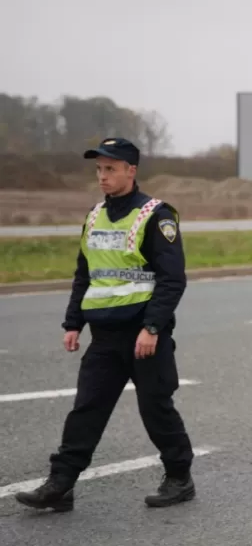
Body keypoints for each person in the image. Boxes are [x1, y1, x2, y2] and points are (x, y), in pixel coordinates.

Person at [15, 138, 196, 513]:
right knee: (86, 409)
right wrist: (73, 322)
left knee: (156, 409)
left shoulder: (155, 215)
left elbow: (172, 279)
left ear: (131, 171)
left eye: (110, 169)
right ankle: (61, 484)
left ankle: (179, 477)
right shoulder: (95, 216)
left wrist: (152, 328)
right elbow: (86, 274)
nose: (102, 176)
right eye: (99, 169)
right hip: (105, 337)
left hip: (144, 335)